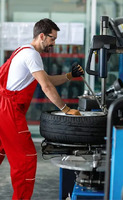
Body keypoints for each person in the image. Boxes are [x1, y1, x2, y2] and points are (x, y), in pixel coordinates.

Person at [0, 18, 84, 199]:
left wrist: (69, 76)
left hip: (3, 108)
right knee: (26, 160)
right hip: (9, 111)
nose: (54, 43)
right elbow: (46, 87)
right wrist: (65, 109)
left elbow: (47, 80)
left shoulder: (23, 51)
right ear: (41, 36)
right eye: (52, 39)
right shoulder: (32, 55)